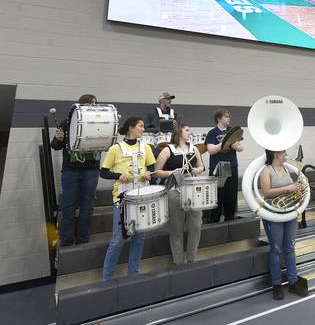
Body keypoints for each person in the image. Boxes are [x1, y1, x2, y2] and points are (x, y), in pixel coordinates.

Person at [100, 117, 155, 280]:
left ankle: (133, 274)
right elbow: (103, 171)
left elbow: (151, 166)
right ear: (131, 127)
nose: (143, 129)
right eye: (141, 126)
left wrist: (148, 173)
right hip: (122, 200)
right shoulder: (115, 149)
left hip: (141, 197)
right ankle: (107, 279)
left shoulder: (146, 148)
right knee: (118, 240)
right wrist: (118, 175)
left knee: (139, 238)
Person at [50, 94, 100, 247]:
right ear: (81, 105)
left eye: (95, 104)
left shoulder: (98, 122)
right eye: (90, 104)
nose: (93, 106)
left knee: (87, 206)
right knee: (69, 206)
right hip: (71, 170)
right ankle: (66, 241)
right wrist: (59, 138)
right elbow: (55, 146)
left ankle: (83, 239)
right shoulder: (68, 122)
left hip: (91, 170)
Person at [258, 149, 309, 300]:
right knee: (275, 249)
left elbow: (290, 192)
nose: (286, 155)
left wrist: (298, 197)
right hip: (273, 214)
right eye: (284, 153)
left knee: (290, 247)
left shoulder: (286, 168)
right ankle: (276, 285)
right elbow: (266, 192)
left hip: (288, 213)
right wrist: (288, 188)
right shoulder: (266, 171)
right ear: (276, 155)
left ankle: (293, 282)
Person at [153, 124, 205, 265]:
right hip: (174, 189)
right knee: (176, 228)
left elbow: (201, 167)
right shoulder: (167, 150)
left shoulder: (194, 149)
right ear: (179, 132)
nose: (190, 132)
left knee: (196, 226)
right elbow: (156, 172)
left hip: (193, 190)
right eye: (187, 130)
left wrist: (196, 170)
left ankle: (191, 259)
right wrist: (172, 172)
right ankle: (178, 262)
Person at [206, 109, 244, 222]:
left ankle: (230, 220)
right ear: (219, 118)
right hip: (218, 167)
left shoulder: (232, 131)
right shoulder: (212, 132)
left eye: (229, 116)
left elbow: (241, 148)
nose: (229, 118)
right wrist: (224, 142)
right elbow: (211, 150)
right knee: (217, 196)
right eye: (226, 116)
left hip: (232, 166)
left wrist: (233, 143)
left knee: (231, 196)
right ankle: (214, 222)